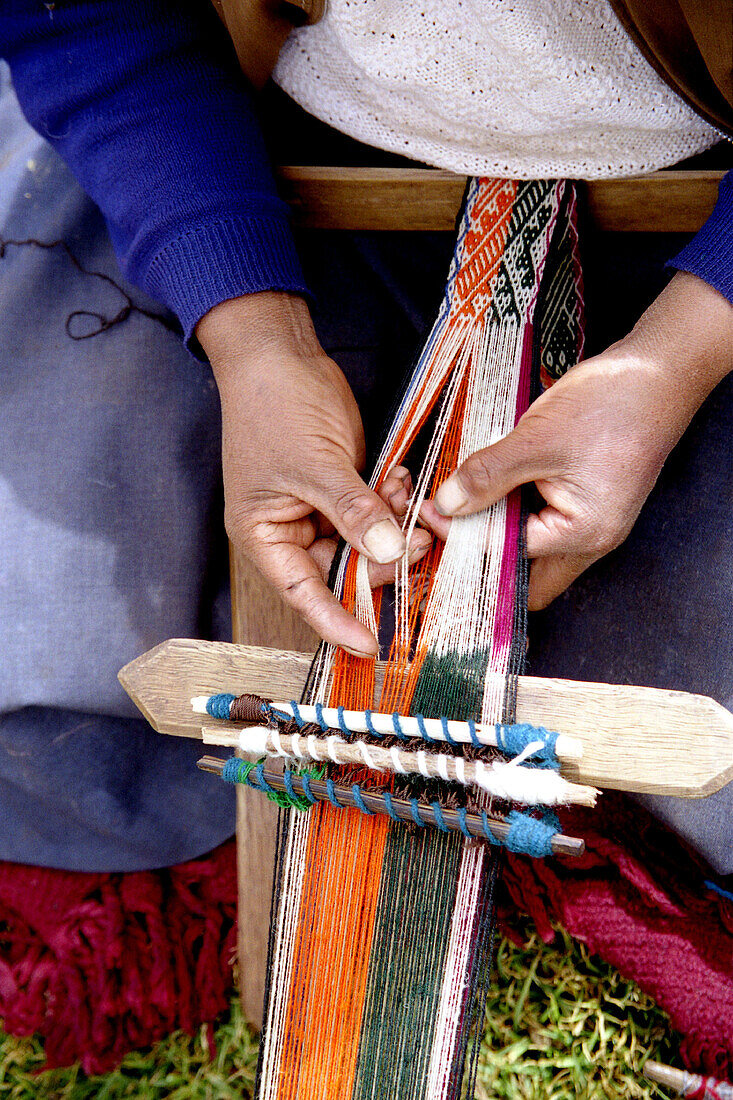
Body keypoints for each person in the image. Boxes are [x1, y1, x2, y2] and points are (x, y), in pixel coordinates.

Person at [1, 0, 732, 874]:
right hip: (250, 156)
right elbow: (81, 15)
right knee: (54, 705)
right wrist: (252, 336)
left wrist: (676, 358)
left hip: (697, 220)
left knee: (692, 802)